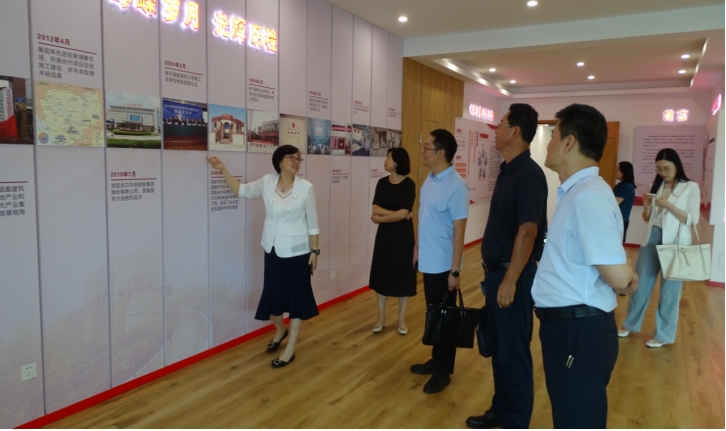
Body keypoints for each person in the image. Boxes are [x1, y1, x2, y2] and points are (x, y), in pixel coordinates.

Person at [532, 104, 638, 428]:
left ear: (569, 142)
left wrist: (628, 275)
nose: (548, 143)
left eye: (553, 135)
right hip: (569, 329)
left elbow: (618, 276)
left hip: (578, 332)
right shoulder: (579, 192)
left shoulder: (588, 196)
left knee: (578, 421)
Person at [465, 104, 548, 429]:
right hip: (497, 274)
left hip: (513, 276)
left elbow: (528, 232)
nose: (496, 130)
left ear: (515, 131)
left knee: (513, 353)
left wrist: (510, 280)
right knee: (498, 349)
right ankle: (499, 412)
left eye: (501, 124)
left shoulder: (529, 175)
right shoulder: (508, 169)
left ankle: (515, 422)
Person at [206, 145, 320, 368]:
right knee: (272, 297)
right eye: (291, 158)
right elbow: (240, 190)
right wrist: (222, 169)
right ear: (279, 161)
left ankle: (290, 349)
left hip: (298, 252)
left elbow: (313, 223)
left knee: (297, 300)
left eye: (299, 159)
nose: (296, 162)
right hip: (273, 249)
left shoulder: (306, 187)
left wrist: (315, 251)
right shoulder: (267, 181)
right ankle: (280, 330)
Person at [619, 148, 700, 348]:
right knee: (641, 283)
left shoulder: (690, 187)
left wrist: (668, 205)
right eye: (659, 169)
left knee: (670, 291)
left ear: (676, 166)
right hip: (653, 236)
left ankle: (663, 335)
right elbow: (648, 218)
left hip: (676, 242)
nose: (663, 172)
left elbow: (692, 219)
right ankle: (630, 324)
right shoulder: (655, 185)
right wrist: (647, 207)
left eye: (666, 168)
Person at [410, 129, 469, 394]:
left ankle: (443, 371)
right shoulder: (430, 180)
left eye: (427, 147)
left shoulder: (456, 186)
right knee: (435, 315)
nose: (423, 151)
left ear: (441, 153)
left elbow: (459, 232)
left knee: (445, 318)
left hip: (444, 265)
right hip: (428, 260)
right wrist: (417, 248)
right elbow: (424, 219)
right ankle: (436, 360)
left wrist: (455, 271)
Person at [369, 147, 417, 335]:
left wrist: (382, 218)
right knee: (382, 274)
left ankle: (401, 318)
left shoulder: (409, 185)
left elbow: (402, 213)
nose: (385, 161)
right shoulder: (382, 183)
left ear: (397, 162)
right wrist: (398, 214)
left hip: (403, 236)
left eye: (388, 158)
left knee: (403, 276)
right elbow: (375, 209)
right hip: (385, 236)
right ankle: (380, 317)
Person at [613, 161, 636, 243]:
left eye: (617, 170)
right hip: (615, 219)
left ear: (623, 172)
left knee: (616, 244)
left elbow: (614, 203)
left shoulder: (628, 187)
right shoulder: (619, 185)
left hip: (621, 220)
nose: (615, 172)